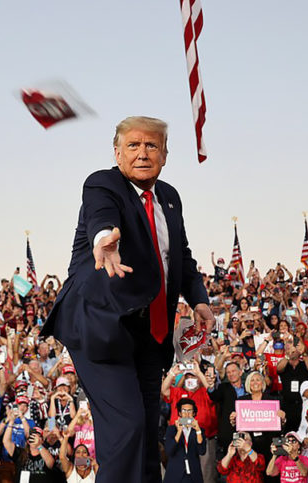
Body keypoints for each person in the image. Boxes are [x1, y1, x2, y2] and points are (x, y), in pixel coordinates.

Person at [40, 116, 215, 483]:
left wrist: (197, 298)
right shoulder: (103, 184)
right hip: (99, 328)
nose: (142, 153)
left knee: (147, 432)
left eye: (151, 145)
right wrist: (105, 237)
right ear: (117, 152)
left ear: (165, 154)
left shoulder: (169, 197)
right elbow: (102, 217)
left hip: (150, 335)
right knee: (127, 427)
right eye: (133, 145)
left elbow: (179, 254)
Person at [163, 397, 206, 482]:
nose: (187, 414)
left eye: (189, 411)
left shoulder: (199, 430)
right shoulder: (172, 429)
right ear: (180, 413)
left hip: (193, 474)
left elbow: (202, 451)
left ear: (194, 413)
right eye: (184, 411)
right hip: (175, 474)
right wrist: (179, 432)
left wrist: (198, 431)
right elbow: (169, 451)